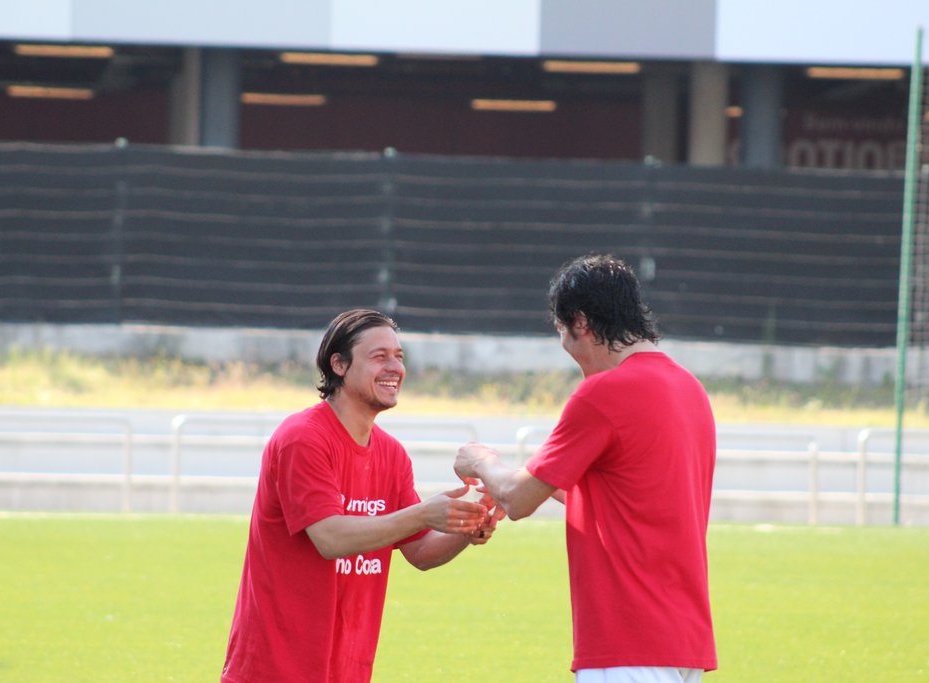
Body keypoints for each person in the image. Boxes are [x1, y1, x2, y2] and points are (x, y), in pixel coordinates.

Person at [454, 254, 718, 683]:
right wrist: (530, 484)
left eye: (563, 334)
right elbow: (628, 494)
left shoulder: (605, 392)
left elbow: (517, 500)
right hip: (683, 641)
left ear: (581, 323)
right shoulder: (689, 388)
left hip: (627, 640)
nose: (570, 354)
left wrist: (480, 461)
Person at [221, 308, 503, 683]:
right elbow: (330, 538)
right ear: (339, 364)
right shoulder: (303, 438)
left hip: (347, 670)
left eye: (399, 356)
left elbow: (420, 551)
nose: (395, 368)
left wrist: (469, 523)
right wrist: (423, 514)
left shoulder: (391, 454)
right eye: (379, 356)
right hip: (275, 669)